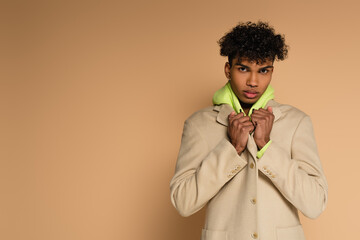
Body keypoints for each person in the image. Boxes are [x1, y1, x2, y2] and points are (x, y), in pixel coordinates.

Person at [169, 21, 328, 240]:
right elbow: (183, 202)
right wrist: (231, 148)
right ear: (228, 69)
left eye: (263, 70)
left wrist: (267, 148)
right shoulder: (199, 125)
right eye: (243, 68)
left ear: (272, 71)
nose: (253, 81)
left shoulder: (296, 122)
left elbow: (315, 204)